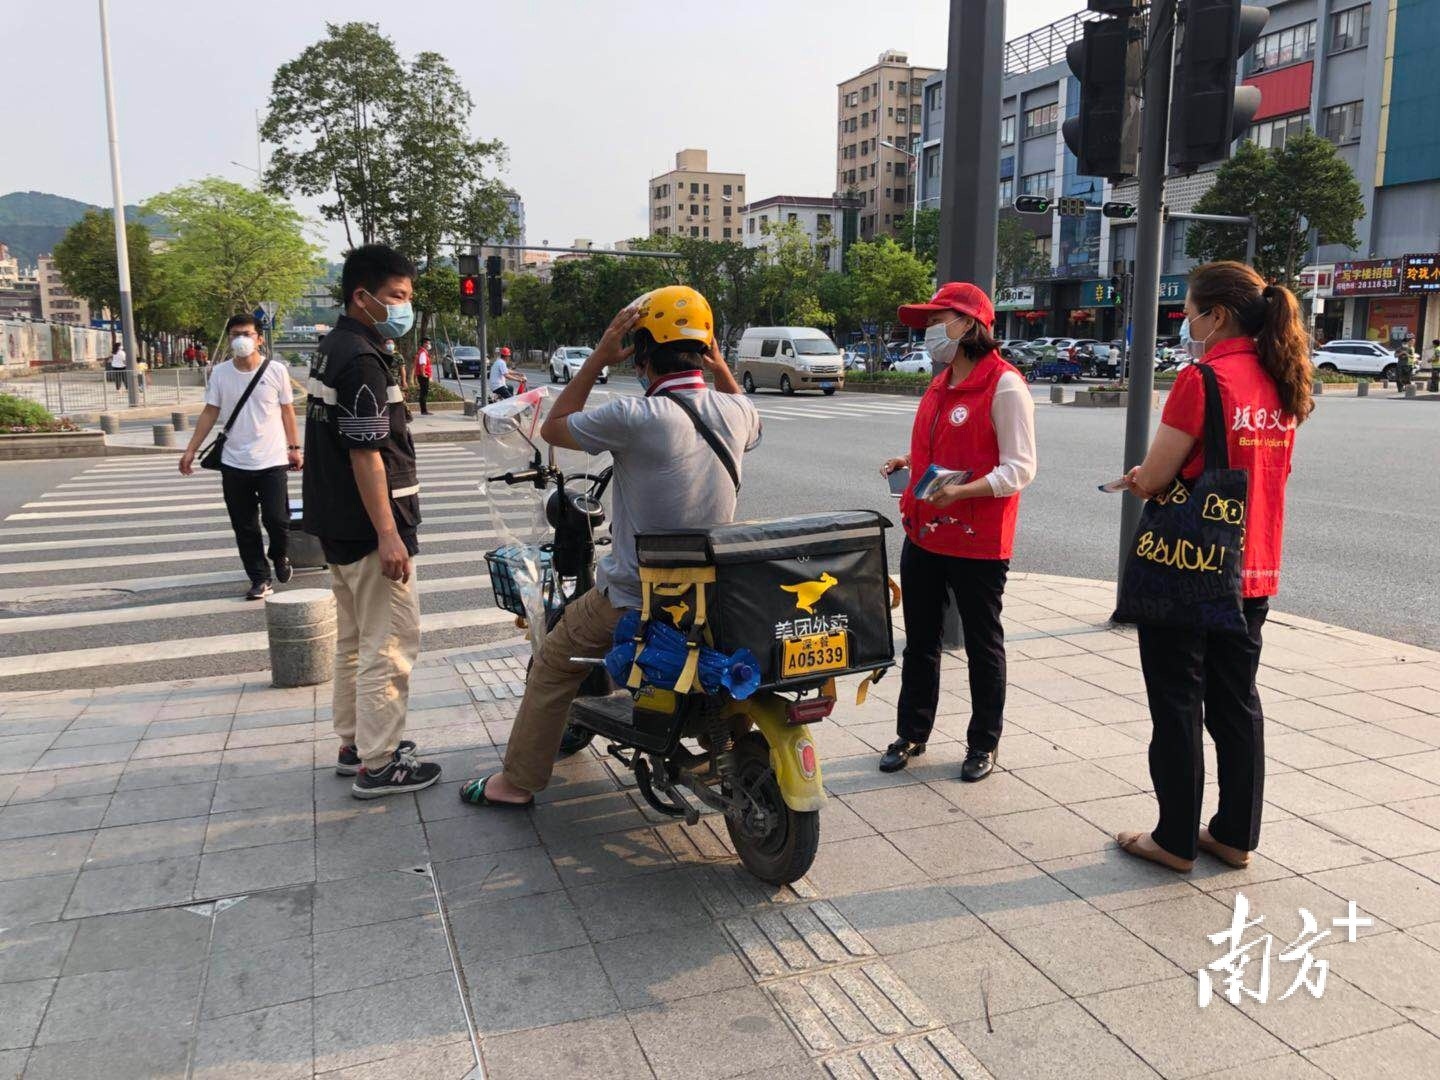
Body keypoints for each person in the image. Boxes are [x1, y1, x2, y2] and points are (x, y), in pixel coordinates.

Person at [460, 286, 762, 807]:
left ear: (642, 352)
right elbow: (746, 418)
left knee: (554, 661)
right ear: (707, 349)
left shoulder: (635, 416)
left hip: (638, 594)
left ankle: (516, 783)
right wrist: (720, 368)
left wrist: (599, 356)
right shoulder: (737, 411)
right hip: (715, 593)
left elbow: (553, 428)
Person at [1116, 260, 1312, 873]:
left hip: (1193, 570)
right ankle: (1233, 835)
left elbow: (1156, 475)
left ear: (1217, 315)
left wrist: (1139, 482)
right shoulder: (1285, 378)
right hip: (1255, 567)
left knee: (1176, 700)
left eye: (1191, 312)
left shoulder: (1203, 379)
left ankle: (1173, 839)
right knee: (1236, 702)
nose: (1187, 322)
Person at [878, 283, 1036, 783]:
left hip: (977, 540)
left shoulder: (1005, 385)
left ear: (968, 324)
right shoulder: (940, 380)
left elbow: (1019, 469)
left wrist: (962, 494)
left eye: (937, 320)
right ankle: (912, 733)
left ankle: (983, 743)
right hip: (925, 532)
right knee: (920, 641)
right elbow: (949, 445)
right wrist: (912, 463)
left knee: (982, 644)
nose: (928, 332)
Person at [303, 243, 441, 799]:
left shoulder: (332, 347)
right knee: (389, 644)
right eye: (397, 297)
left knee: (356, 641)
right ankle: (380, 764)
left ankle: (355, 743)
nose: (405, 308)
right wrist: (389, 533)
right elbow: (366, 453)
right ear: (363, 297)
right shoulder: (361, 359)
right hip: (369, 529)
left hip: (338, 523)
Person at [180, 314, 301, 600]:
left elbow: (287, 410)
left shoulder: (276, 371)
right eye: (235, 334)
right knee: (244, 526)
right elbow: (210, 411)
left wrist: (295, 448)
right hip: (234, 462)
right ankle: (260, 578)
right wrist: (190, 449)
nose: (240, 340)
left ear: (259, 338)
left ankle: (280, 553)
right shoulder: (220, 373)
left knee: (277, 520)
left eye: (246, 334)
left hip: (272, 460)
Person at [413, 337, 434, 415]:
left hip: (423, 375)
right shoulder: (423, 353)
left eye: (429, 343)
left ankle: (424, 410)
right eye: (428, 343)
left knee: (424, 392)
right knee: (424, 393)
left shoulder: (423, 352)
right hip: (423, 376)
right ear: (424, 344)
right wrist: (423, 374)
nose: (429, 345)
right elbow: (422, 364)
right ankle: (424, 410)